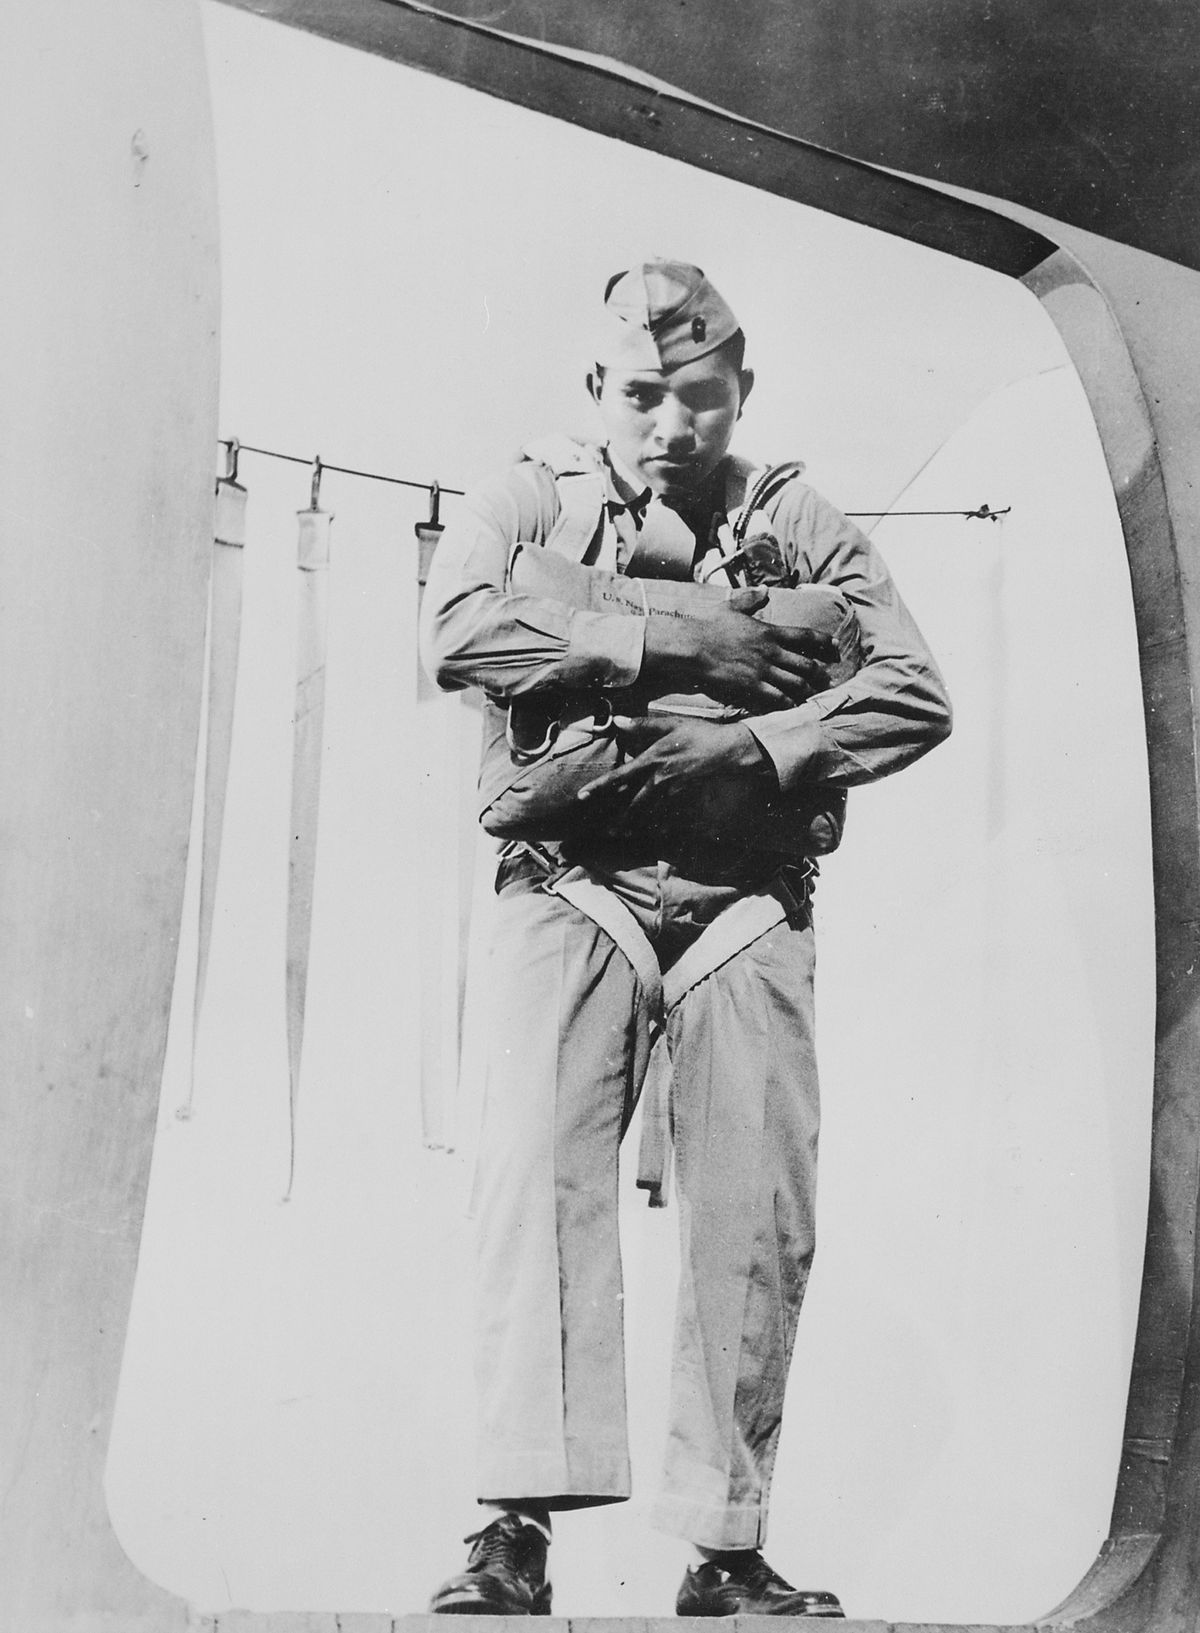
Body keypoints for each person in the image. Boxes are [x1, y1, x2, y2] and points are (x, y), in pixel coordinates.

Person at [418, 259, 952, 1618]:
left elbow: (910, 687)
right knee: (533, 1171)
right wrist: (683, 642)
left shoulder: (798, 520)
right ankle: (512, 1526)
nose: (671, 426)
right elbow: (465, 626)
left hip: (741, 898)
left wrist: (755, 746)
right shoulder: (529, 496)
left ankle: (726, 1542)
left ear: (740, 393)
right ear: (600, 389)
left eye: (698, 398)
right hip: (570, 875)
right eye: (643, 396)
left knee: (760, 1203)